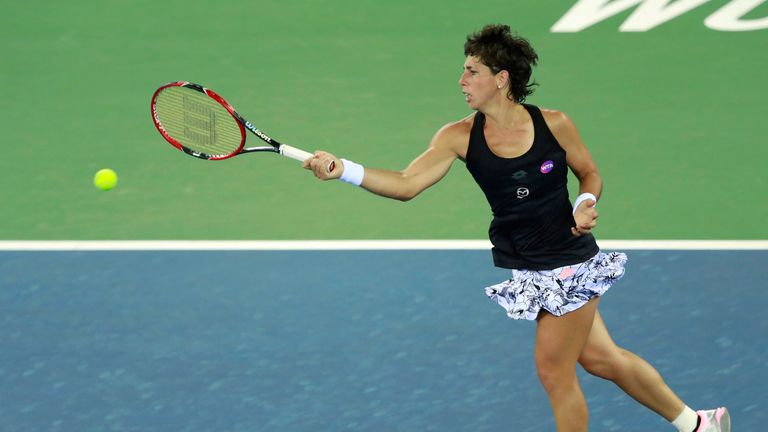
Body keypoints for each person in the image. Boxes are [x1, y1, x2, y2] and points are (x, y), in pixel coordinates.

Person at [303, 24, 730, 432]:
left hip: (567, 262)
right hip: (529, 264)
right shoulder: (457, 136)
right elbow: (405, 184)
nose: (462, 80)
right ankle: (698, 423)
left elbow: (590, 173)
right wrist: (344, 169)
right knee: (601, 359)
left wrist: (584, 203)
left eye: (472, 71)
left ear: (501, 78)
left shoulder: (554, 124)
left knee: (555, 373)